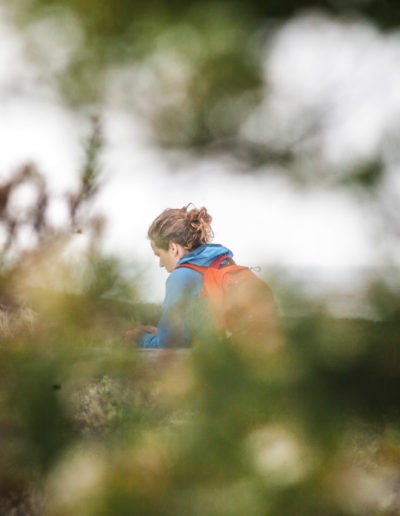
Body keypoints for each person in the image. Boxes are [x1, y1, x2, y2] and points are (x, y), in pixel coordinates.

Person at [125, 204, 233, 348]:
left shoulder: (181, 276)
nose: (161, 264)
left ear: (173, 248)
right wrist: (159, 333)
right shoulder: (224, 263)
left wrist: (139, 338)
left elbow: (169, 344)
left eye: (159, 255)